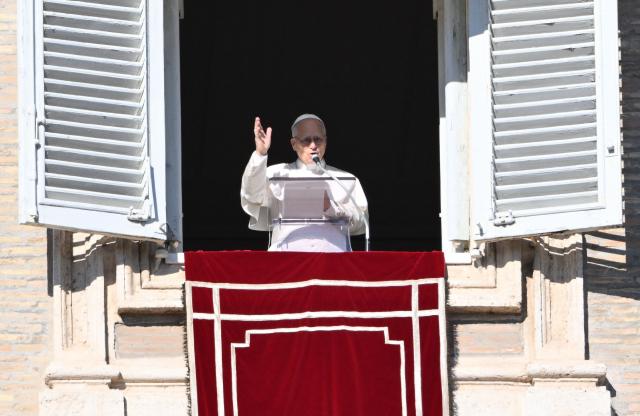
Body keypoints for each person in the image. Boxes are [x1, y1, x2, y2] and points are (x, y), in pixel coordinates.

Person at [241, 114, 368, 252]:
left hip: (332, 263)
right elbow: (251, 196)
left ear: (325, 141)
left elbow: (361, 223)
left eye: (318, 139)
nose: (313, 146)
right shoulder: (276, 174)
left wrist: (333, 208)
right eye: (306, 140)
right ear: (294, 144)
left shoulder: (345, 179)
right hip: (286, 263)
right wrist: (260, 154)